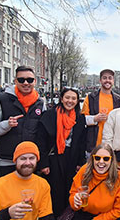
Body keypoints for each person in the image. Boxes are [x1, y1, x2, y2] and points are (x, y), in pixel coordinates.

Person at [0, 66, 46, 178]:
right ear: (15, 81)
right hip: (7, 161)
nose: (25, 83)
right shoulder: (1, 100)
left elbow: (42, 132)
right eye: (21, 80)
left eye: (29, 80)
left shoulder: (40, 103)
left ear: (35, 81)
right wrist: (6, 125)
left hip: (31, 161)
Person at [37, 87, 87, 218]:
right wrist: (43, 163)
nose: (70, 101)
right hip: (54, 158)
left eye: (73, 98)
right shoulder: (49, 116)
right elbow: (41, 141)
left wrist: (80, 162)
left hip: (71, 158)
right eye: (67, 98)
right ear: (61, 99)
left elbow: (82, 142)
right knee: (55, 191)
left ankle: (68, 216)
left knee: (70, 189)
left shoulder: (80, 118)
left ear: (77, 101)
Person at [0, 141, 54, 220]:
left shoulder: (42, 184)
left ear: (37, 160)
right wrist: (7, 213)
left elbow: (46, 216)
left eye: (32, 158)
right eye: (23, 159)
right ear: (15, 161)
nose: (27, 163)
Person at [69, 143, 120, 219]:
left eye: (106, 159)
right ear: (93, 159)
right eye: (97, 158)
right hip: (82, 215)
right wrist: (75, 202)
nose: (101, 161)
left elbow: (119, 210)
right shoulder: (84, 170)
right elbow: (73, 195)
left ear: (111, 160)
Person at [82, 69, 120, 156]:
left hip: (111, 145)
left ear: (113, 81)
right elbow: (81, 119)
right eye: (104, 78)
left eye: (110, 78)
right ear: (100, 80)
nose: (107, 80)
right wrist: (94, 119)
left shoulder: (119, 100)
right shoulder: (90, 98)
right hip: (93, 144)